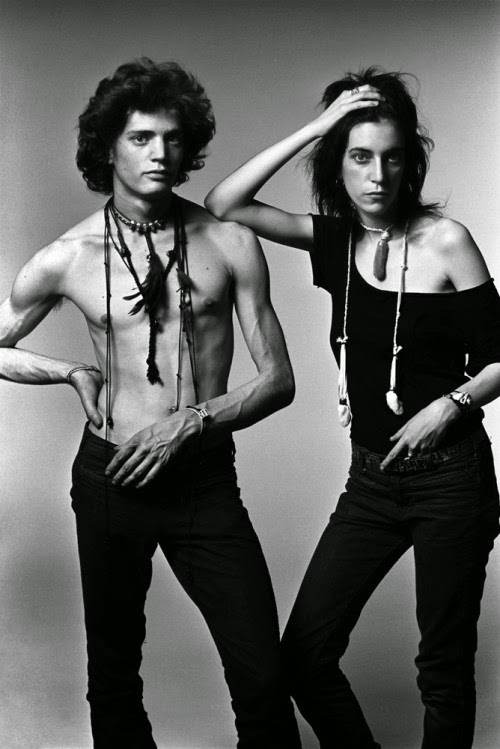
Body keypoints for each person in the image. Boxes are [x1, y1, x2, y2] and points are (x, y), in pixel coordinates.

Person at [0, 58, 303, 748]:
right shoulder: (68, 256)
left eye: (171, 138)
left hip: (202, 479)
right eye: (140, 138)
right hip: (110, 477)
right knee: (113, 679)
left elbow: (279, 380)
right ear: (107, 148)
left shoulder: (229, 241)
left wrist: (190, 421)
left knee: (262, 677)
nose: (160, 153)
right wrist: (69, 372)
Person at [205, 67, 500, 748]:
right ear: (336, 163)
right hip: (371, 481)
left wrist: (450, 405)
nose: (377, 175)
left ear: (411, 164)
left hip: (451, 478)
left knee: (443, 669)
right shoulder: (335, 242)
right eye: (359, 156)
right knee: (304, 655)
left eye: (392, 158)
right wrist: (318, 126)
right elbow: (225, 202)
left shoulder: (447, 241)